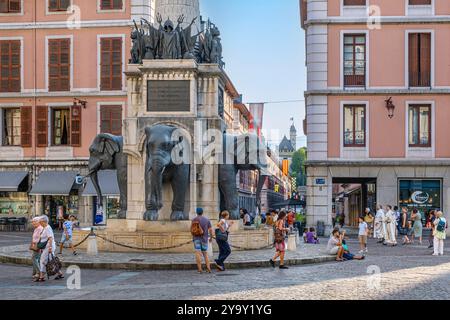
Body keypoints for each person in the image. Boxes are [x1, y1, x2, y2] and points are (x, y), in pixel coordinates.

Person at [36, 216, 64, 282]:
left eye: (40, 222)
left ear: (44, 221)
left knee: (42, 260)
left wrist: (50, 247)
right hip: (46, 247)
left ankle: (41, 276)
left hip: (48, 247)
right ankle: (60, 273)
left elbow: (50, 238)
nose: (40, 223)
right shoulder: (45, 228)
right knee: (51, 261)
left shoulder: (47, 228)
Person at [191, 208, 213, 273]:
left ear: (196, 212)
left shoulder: (194, 220)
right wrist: (211, 237)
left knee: (198, 253)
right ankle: (208, 268)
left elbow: (191, 230)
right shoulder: (207, 220)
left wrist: (193, 236)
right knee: (205, 253)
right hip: (204, 239)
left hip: (196, 239)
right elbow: (211, 230)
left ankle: (200, 269)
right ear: (202, 212)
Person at [30, 217, 43, 281]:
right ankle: (34, 273)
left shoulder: (40, 228)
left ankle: (39, 272)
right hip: (35, 245)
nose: (33, 223)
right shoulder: (36, 228)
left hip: (38, 246)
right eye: (32, 222)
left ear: (38, 222)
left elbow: (41, 238)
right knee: (36, 259)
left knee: (34, 258)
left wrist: (37, 245)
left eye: (34, 221)